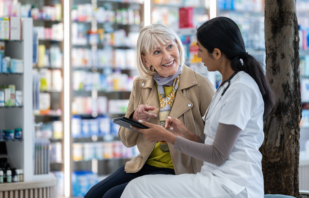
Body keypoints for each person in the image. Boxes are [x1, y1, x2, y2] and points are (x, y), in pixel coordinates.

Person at [121, 17, 276, 198]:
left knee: (138, 188)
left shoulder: (241, 88)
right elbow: (216, 146)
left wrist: (168, 137)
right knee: (132, 187)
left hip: (234, 186)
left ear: (217, 53)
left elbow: (218, 154)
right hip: (217, 178)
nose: (198, 55)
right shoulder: (227, 86)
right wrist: (186, 134)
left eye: (200, 50)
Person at [85, 24, 215, 198]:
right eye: (156, 52)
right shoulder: (141, 84)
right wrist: (135, 118)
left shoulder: (200, 84)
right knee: (93, 194)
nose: (167, 56)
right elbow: (126, 141)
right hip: (144, 164)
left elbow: (215, 142)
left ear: (177, 45)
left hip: (179, 169)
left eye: (170, 46)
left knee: (112, 196)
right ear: (146, 60)